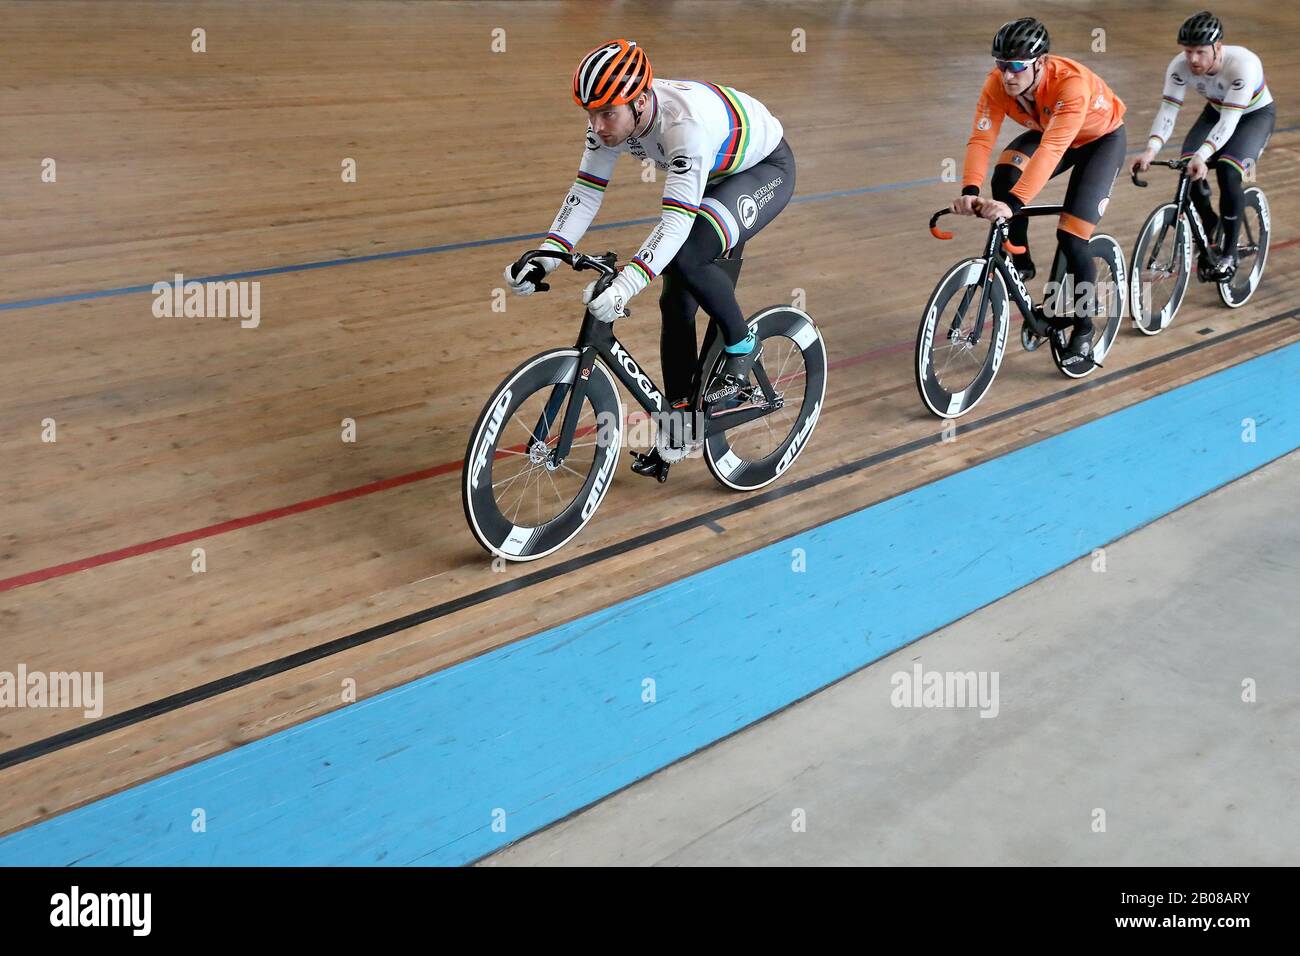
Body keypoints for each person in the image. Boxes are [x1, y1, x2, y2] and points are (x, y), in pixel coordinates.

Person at [504, 39, 795, 479]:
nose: (598, 125)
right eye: (591, 113)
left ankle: (742, 346)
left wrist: (625, 285)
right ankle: (680, 424)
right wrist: (546, 256)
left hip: (761, 171)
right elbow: (584, 193)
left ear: (640, 102)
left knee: (688, 256)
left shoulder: (684, 127)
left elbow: (675, 226)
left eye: (607, 114)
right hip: (707, 175)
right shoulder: (612, 120)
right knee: (674, 303)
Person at [951, 18, 1127, 368]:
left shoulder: (1070, 85)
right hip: (1050, 130)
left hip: (1099, 141)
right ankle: (1021, 260)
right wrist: (970, 189)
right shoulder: (997, 84)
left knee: (1073, 238)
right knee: (1004, 176)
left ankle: (1083, 327)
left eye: (1016, 66)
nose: (1007, 75)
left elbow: (1052, 150)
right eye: (1001, 65)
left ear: (1041, 63)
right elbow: (981, 138)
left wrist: (1013, 205)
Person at [1130, 12, 1274, 278]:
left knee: (1229, 172)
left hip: (1253, 117)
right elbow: (1168, 112)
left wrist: (1204, 154)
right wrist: (1150, 150)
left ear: (1218, 47)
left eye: (1200, 52)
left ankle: (1229, 254)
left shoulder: (1244, 64)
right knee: (1188, 166)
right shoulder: (1179, 66)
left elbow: (1231, 121)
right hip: (1217, 111)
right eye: (1188, 52)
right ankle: (1210, 225)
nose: (1193, 59)